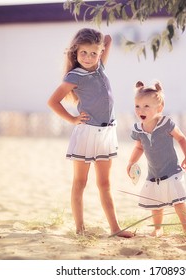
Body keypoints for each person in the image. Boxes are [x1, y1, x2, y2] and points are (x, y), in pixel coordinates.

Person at [47, 28, 134, 238]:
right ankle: (80, 229)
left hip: (107, 133)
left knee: (105, 183)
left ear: (100, 52)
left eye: (93, 53)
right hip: (87, 133)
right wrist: (73, 119)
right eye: (83, 53)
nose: (88, 57)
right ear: (76, 52)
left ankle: (115, 228)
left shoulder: (100, 68)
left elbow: (109, 39)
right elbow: (53, 101)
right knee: (80, 182)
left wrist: (100, 42)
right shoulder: (75, 76)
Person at [127, 81, 186, 237]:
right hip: (154, 173)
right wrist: (131, 162)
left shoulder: (166, 123)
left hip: (172, 171)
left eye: (147, 106)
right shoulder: (138, 129)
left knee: (179, 201)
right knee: (156, 203)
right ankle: (158, 228)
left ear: (159, 108)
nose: (141, 110)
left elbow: (181, 138)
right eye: (137, 106)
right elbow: (139, 147)